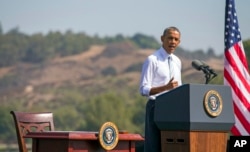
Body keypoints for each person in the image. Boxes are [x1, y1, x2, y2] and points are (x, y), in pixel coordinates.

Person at [139, 26, 182, 152]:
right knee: (154, 146)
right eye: (170, 38)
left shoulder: (177, 61)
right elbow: (143, 89)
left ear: (179, 42)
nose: (173, 42)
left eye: (176, 39)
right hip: (156, 107)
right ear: (162, 39)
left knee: (170, 146)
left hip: (173, 109)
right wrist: (166, 88)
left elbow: (178, 87)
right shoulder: (152, 60)